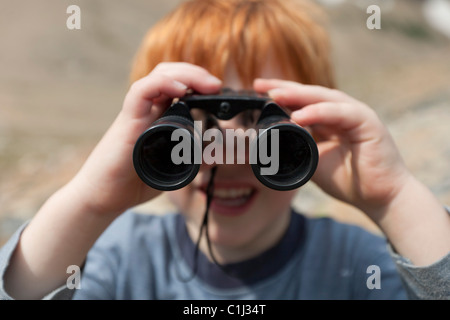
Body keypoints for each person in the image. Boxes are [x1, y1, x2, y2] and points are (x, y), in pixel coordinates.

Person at [0, 0, 449, 300]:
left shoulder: (356, 264)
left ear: (311, 130)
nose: (226, 153)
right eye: (193, 122)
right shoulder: (118, 258)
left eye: (264, 122)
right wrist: (89, 202)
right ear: (148, 135)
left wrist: (393, 197)